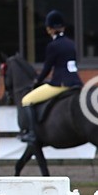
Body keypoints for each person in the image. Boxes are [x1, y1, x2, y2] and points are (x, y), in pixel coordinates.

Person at [19, 10, 80, 143]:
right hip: (76, 81)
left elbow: (47, 68)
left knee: (27, 100)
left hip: (60, 83)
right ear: (63, 27)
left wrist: (37, 81)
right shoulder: (71, 43)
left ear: (49, 29)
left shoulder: (53, 45)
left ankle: (32, 133)